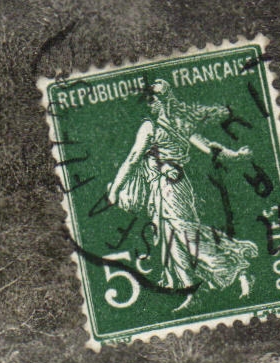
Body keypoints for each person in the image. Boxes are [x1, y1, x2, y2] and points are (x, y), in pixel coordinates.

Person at [106, 79, 258, 300]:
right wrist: (234, 155)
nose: (149, 104)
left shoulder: (152, 127)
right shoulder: (180, 123)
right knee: (169, 237)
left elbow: (132, 159)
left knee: (186, 235)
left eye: (152, 100)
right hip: (166, 186)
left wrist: (114, 190)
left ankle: (236, 268)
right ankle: (190, 291)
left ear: (163, 101)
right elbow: (210, 147)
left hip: (171, 187)